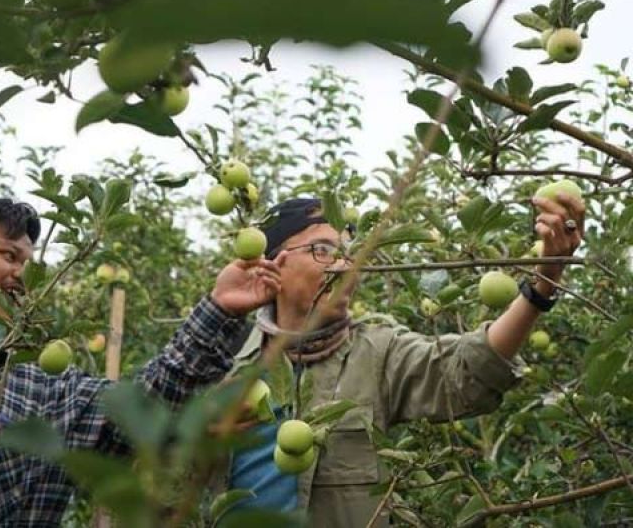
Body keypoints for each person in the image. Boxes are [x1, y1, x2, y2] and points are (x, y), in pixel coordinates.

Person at [0, 196, 283, 526]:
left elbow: (148, 405)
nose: (21, 275)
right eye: (8, 254)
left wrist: (221, 309)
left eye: (28, 262)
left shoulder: (48, 389)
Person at [215, 194, 585, 527]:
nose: (345, 268)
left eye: (350, 254)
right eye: (323, 250)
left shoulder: (376, 352)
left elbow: (465, 369)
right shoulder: (224, 363)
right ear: (271, 264)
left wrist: (542, 285)